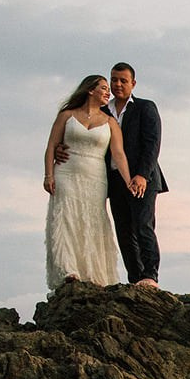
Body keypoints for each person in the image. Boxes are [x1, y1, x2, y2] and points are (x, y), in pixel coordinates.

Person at [55, 62, 167, 287]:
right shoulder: (103, 111)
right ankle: (135, 278)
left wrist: (142, 175)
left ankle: (150, 276)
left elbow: (152, 144)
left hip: (141, 178)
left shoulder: (145, 107)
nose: (117, 84)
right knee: (123, 231)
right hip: (113, 180)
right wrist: (61, 148)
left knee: (143, 225)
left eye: (123, 81)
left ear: (133, 83)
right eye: (114, 80)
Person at [42, 75, 141, 291]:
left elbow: (119, 154)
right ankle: (69, 270)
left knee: (92, 220)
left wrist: (128, 181)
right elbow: (51, 146)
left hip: (95, 177)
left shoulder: (110, 122)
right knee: (66, 217)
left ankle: (92, 273)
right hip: (66, 173)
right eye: (104, 88)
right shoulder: (67, 116)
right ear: (90, 90)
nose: (108, 92)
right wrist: (48, 175)